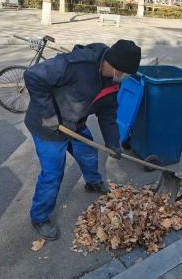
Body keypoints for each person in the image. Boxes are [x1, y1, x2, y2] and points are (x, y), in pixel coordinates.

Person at [24, 39, 141, 240]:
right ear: (113, 66)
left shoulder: (111, 82)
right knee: (52, 174)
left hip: (75, 125)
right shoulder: (76, 65)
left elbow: (107, 113)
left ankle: (93, 182)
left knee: (88, 154)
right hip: (48, 127)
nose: (122, 78)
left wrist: (113, 142)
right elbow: (33, 75)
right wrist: (48, 115)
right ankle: (40, 217)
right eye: (122, 73)